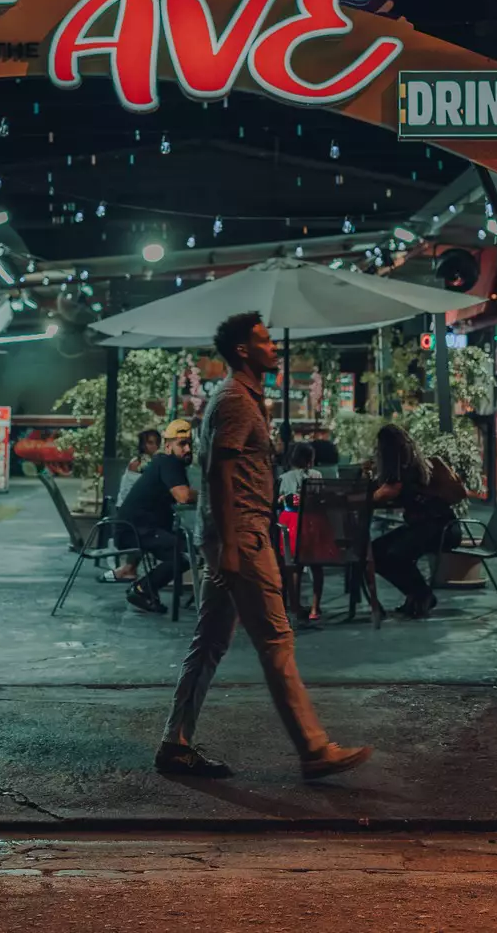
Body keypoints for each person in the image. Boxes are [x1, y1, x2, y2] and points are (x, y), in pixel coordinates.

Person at [155, 310, 371, 782]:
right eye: (265, 341)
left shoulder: (245, 399)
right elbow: (218, 472)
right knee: (276, 640)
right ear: (242, 350)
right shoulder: (234, 399)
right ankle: (314, 748)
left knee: (209, 642)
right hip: (243, 535)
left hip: (234, 533)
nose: (274, 348)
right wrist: (232, 546)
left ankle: (176, 743)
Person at [368, 423, 454, 619]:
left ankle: (422, 595)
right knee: (377, 551)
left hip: (439, 528)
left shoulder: (401, 466)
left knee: (390, 554)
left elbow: (389, 491)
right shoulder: (412, 460)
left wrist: (364, 497)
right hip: (434, 525)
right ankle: (417, 595)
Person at [115, 420, 197, 614]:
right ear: (168, 446)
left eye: (189, 444)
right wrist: (209, 495)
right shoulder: (168, 462)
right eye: (181, 444)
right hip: (136, 530)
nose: (187, 449)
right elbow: (183, 496)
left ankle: (145, 590)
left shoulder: (167, 462)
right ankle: (142, 589)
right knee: (185, 555)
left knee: (186, 552)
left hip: (142, 528)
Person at [102, 427, 168, 583]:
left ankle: (131, 568)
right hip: (126, 510)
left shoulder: (155, 462)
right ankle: (133, 569)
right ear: (143, 445)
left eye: (157, 443)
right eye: (150, 443)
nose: (155, 446)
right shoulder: (138, 463)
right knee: (152, 526)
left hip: (139, 509)